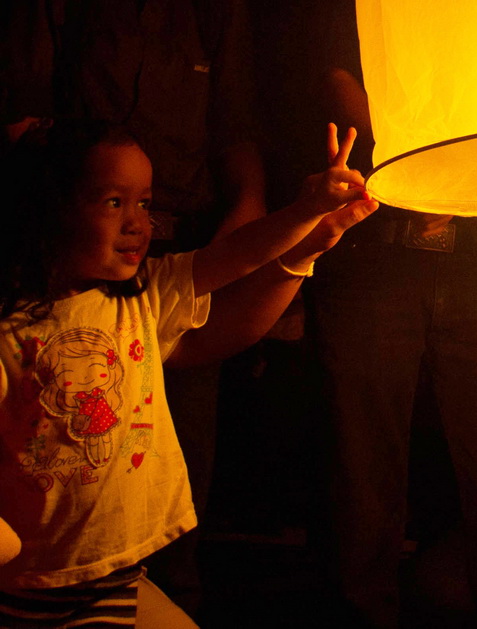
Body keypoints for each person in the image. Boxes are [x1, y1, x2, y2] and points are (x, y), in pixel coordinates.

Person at [0, 117, 377, 627]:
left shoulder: (141, 294)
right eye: (113, 202)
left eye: (144, 203)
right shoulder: (12, 330)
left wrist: (309, 211)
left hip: (118, 577)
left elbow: (236, 254)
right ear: (50, 209)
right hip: (35, 591)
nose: (138, 223)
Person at [304, 0, 477, 626]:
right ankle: (362, 611)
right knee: (362, 461)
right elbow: (334, 72)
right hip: (374, 244)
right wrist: (430, 159)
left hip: (469, 257)